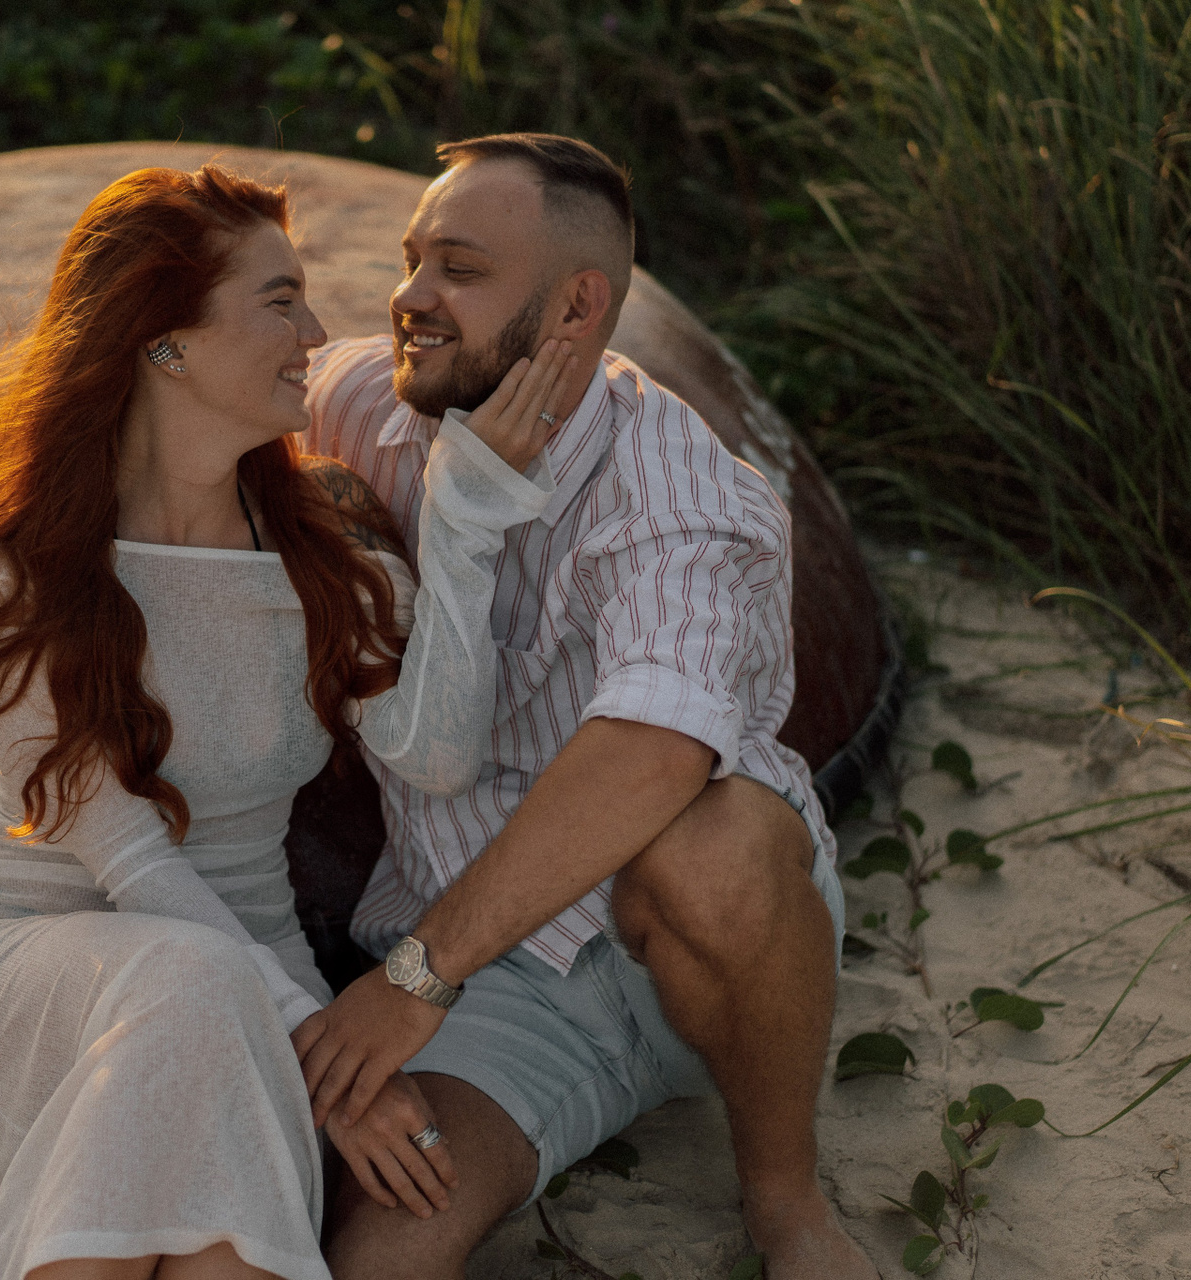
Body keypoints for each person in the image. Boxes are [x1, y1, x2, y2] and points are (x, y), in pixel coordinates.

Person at [0, 164, 582, 1280]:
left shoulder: (322, 548)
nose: (316, 332)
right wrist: (328, 1064)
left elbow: (438, 754)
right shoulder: (21, 564)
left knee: (212, 1166)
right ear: (165, 340)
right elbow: (126, 856)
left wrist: (466, 521)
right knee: (193, 988)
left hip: (247, 999)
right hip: (27, 976)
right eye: (279, 301)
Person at [292, 134, 880, 1280]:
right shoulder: (367, 404)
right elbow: (189, 409)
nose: (411, 296)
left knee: (710, 841)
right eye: (413, 260)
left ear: (576, 307)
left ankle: (786, 1197)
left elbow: (656, 753)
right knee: (386, 1245)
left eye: (460, 269)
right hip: (504, 986)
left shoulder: (679, 490)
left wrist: (415, 974)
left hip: (696, 951)